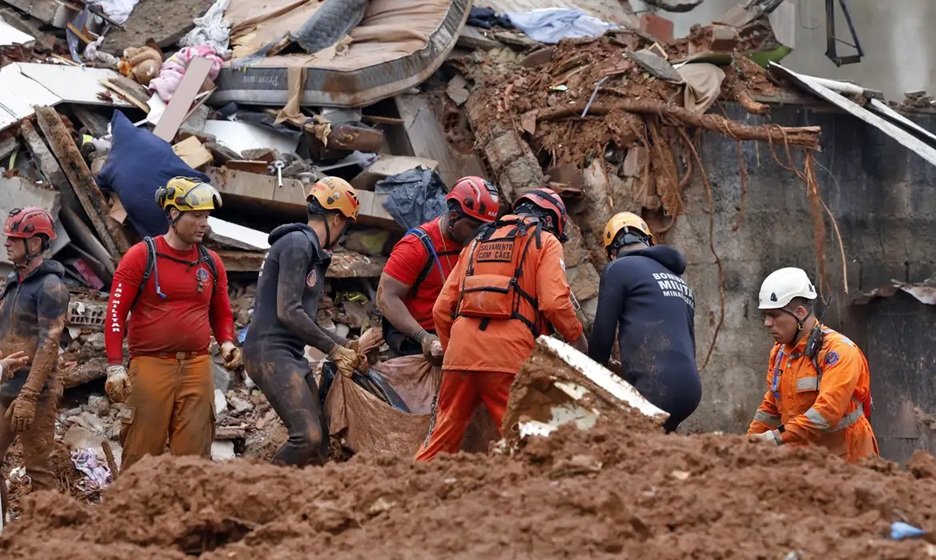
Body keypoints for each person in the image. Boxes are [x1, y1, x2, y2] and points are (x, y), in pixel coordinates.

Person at [416, 187, 587, 461]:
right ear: (552, 221)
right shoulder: (545, 241)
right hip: (508, 359)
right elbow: (554, 303)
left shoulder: (477, 241)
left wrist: (454, 354)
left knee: (440, 443)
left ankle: (405, 493)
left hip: (460, 357)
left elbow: (440, 310)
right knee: (528, 445)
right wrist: (577, 339)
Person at [104, 177, 240, 471]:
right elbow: (115, 313)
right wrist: (115, 366)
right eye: (196, 215)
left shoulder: (211, 262)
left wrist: (227, 341)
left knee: (193, 457)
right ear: (173, 214)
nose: (204, 223)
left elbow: (222, 312)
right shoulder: (141, 256)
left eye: (207, 216)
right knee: (142, 453)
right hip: (151, 366)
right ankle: (131, 513)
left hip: (197, 367)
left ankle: (186, 516)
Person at [243, 176, 365, 467]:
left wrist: (346, 344)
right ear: (336, 219)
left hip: (287, 353)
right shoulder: (298, 244)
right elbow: (289, 312)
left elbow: (301, 319)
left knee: (320, 445)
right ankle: (255, 489)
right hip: (270, 352)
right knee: (307, 437)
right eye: (346, 223)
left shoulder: (307, 249)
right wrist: (335, 350)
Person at [747, 267, 878, 462]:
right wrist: (746, 444)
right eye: (765, 315)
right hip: (808, 461)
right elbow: (771, 406)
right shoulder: (780, 352)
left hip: (848, 462)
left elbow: (826, 413)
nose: (767, 323)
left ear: (800, 313)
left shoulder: (838, 352)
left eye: (773, 315)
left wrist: (773, 438)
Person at [587, 212, 701, 432]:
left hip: (656, 387)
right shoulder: (679, 281)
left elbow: (603, 336)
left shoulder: (619, 269)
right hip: (690, 389)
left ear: (611, 252)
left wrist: (590, 375)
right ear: (648, 242)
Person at [377, 176, 500, 364]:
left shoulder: (476, 245)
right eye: (474, 227)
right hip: (416, 342)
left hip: (458, 338)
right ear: (453, 216)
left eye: (485, 227)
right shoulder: (416, 246)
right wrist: (423, 337)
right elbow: (386, 296)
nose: (480, 234)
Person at [0, 208, 69, 510]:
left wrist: (29, 394)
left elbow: (49, 342)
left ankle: (49, 541)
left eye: (16, 238)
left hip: (35, 395)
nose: (7, 243)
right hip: (4, 387)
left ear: (36, 244)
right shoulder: (14, 283)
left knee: (39, 469)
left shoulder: (51, 287)